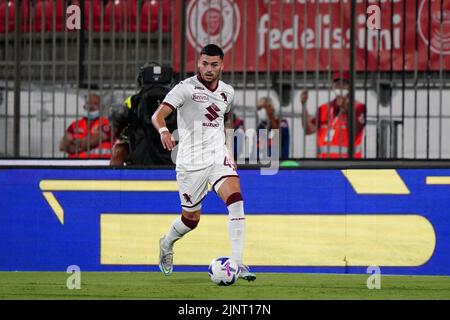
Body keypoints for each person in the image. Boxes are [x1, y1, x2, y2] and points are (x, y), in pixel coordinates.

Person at [151, 44, 256, 281]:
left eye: (214, 64)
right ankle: (167, 243)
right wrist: (164, 131)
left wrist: (230, 154)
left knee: (236, 201)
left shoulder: (227, 92)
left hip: (217, 157)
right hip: (190, 163)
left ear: (222, 65)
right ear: (198, 63)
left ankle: (237, 263)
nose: (209, 69)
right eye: (205, 64)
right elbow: (157, 116)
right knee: (191, 220)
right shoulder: (185, 89)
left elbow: (226, 121)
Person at [110, 62, 176, 166]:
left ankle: (112, 182)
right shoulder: (178, 101)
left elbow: (118, 119)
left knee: (118, 149)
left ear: (141, 79)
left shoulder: (132, 101)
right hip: (173, 157)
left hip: (141, 157)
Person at [300, 71, 366, 158]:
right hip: (324, 166)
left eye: (344, 83)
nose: (340, 86)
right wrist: (304, 105)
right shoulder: (323, 108)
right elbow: (308, 130)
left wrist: (345, 108)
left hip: (348, 167)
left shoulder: (359, 108)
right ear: (333, 86)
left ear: (350, 87)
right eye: (337, 82)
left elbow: (355, 132)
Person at [59, 93, 112, 158]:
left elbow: (90, 142)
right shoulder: (74, 125)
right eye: (88, 103)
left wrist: (74, 143)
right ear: (84, 106)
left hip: (100, 164)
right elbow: (62, 146)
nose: (91, 106)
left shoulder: (107, 124)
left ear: (101, 107)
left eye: (95, 103)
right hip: (75, 165)